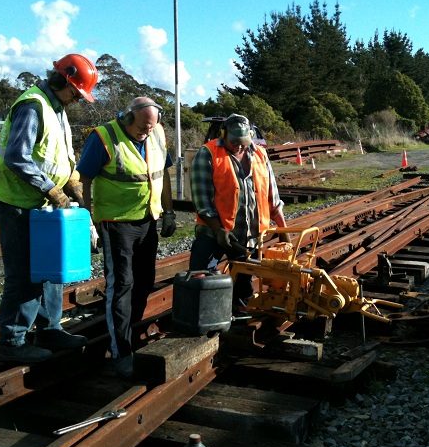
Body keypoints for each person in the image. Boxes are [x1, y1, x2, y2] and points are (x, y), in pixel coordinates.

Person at [0, 53, 98, 363]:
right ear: (63, 81)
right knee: (24, 272)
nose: (77, 99)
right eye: (76, 92)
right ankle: (13, 340)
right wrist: (52, 189)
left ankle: (49, 328)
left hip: (39, 200)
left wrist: (72, 182)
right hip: (15, 200)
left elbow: (60, 155)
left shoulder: (56, 107)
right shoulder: (33, 105)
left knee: (51, 265)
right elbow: (17, 157)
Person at [77, 96, 176, 378]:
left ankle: (131, 332)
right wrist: (87, 221)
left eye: (151, 127)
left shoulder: (155, 133)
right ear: (128, 117)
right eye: (143, 127)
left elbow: (162, 174)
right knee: (121, 284)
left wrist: (168, 211)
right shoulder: (104, 137)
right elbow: (83, 179)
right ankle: (120, 350)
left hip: (148, 219)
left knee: (144, 281)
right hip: (116, 223)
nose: (147, 132)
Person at [189, 113, 288, 310]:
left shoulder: (260, 154)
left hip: (248, 236)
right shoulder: (207, 154)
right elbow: (202, 200)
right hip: (213, 233)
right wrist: (219, 230)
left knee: (244, 284)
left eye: (243, 142)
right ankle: (204, 318)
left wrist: (283, 230)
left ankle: (239, 320)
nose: (239, 146)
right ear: (223, 135)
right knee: (201, 278)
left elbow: (272, 195)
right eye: (234, 142)